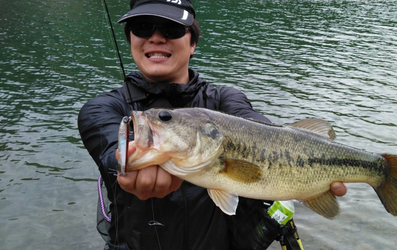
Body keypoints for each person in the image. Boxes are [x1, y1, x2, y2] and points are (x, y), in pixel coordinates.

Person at [78, 0, 347, 249]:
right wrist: (125, 164)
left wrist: (302, 168)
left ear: (193, 43)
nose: (156, 37)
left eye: (171, 28)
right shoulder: (103, 109)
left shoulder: (226, 99)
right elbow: (111, 152)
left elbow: (260, 129)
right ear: (131, 39)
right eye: (142, 27)